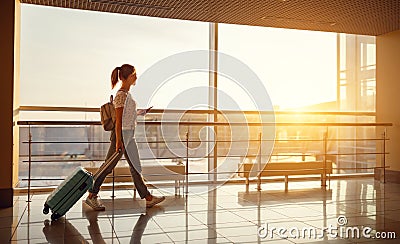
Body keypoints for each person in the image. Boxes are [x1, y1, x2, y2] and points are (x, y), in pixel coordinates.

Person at [86, 64, 165, 210]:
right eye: (134, 74)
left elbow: (128, 116)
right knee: (108, 167)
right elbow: (118, 120)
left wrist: (140, 112)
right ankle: (91, 195)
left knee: (136, 167)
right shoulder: (121, 95)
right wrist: (119, 141)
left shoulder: (127, 94)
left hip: (130, 135)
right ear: (127, 77)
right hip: (121, 136)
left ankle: (148, 198)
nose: (136, 77)